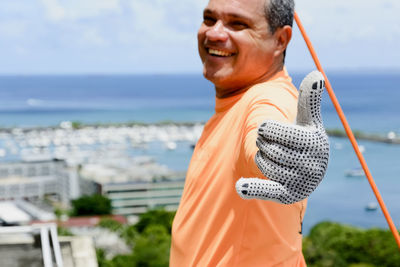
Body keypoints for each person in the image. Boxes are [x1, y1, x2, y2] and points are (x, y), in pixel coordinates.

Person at [170, 0, 329, 266]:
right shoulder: (234, 103)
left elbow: (263, 135)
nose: (214, 33)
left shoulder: (270, 99)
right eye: (209, 19)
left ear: (280, 39)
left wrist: (287, 163)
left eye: (238, 24)